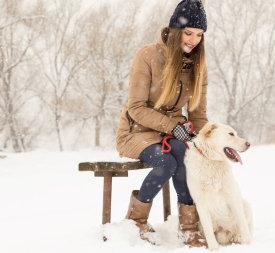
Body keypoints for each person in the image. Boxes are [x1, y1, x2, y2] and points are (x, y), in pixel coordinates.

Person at [115, 0, 209, 247]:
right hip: (137, 132)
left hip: (174, 133)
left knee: (183, 153)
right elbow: (136, 107)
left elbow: (198, 114)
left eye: (199, 35)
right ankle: (135, 222)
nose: (193, 40)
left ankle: (188, 227)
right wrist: (171, 127)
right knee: (166, 162)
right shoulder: (148, 55)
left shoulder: (197, 65)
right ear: (176, 30)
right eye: (188, 33)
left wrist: (204, 141)